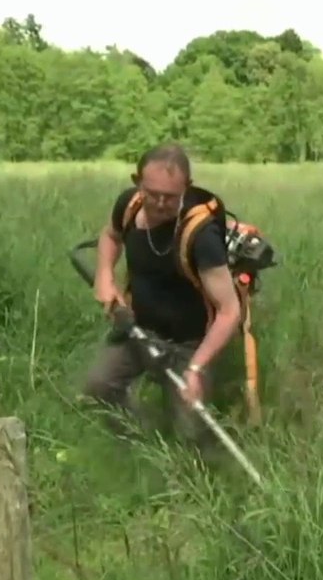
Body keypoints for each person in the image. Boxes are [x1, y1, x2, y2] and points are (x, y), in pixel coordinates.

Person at [83, 144, 242, 445]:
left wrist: (196, 368)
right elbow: (110, 236)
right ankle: (143, 443)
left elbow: (229, 311)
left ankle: (199, 462)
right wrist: (104, 276)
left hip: (190, 344)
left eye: (169, 197)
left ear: (187, 187)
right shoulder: (128, 205)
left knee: (190, 431)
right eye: (152, 193)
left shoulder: (201, 236)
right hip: (139, 329)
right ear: (137, 182)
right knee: (99, 388)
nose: (159, 203)